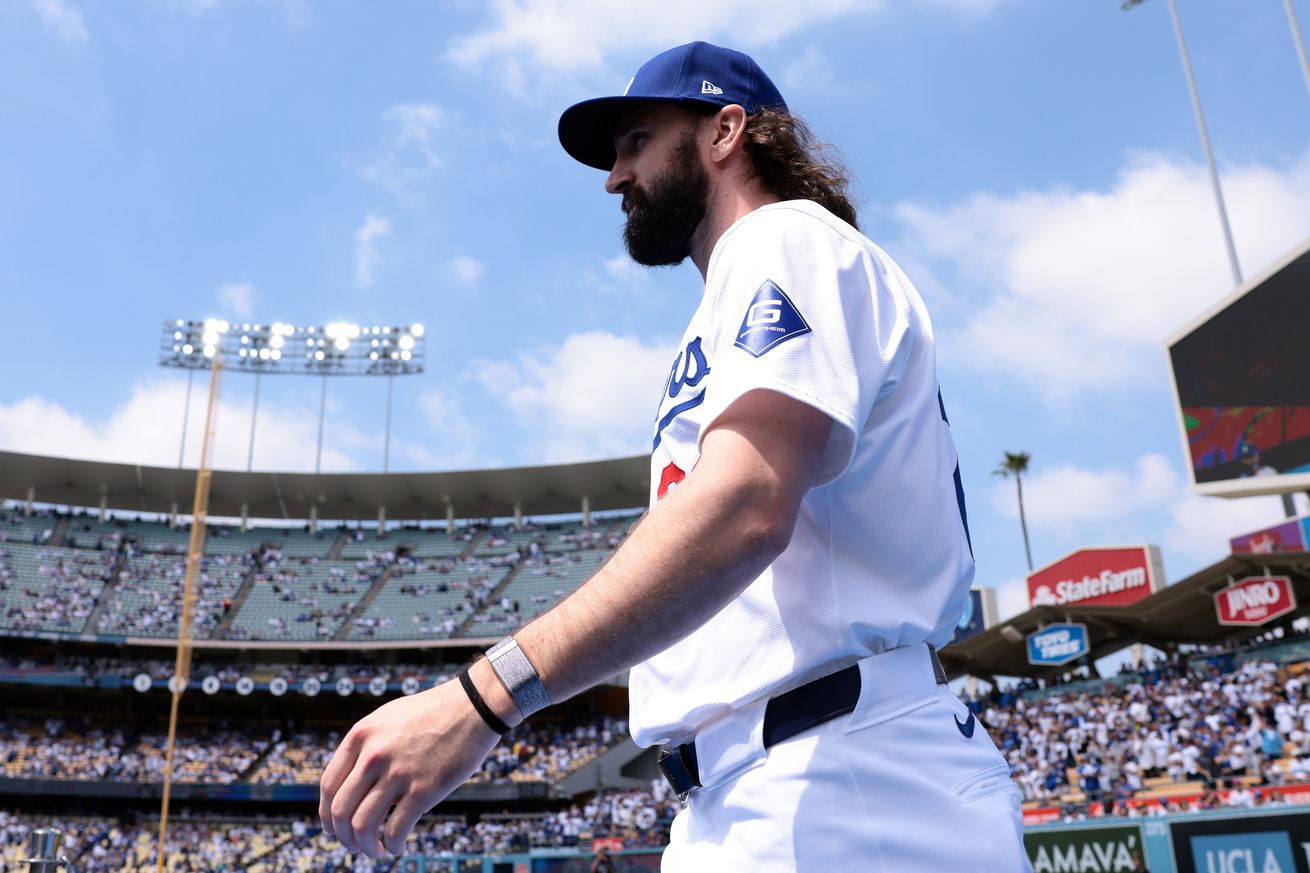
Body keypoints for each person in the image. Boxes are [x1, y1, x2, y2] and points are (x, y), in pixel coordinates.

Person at [318, 41, 1029, 871]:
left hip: (842, 779)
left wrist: (483, 698)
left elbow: (744, 505)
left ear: (726, 130)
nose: (613, 178)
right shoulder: (739, 286)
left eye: (634, 142)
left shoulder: (786, 238)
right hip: (757, 785)